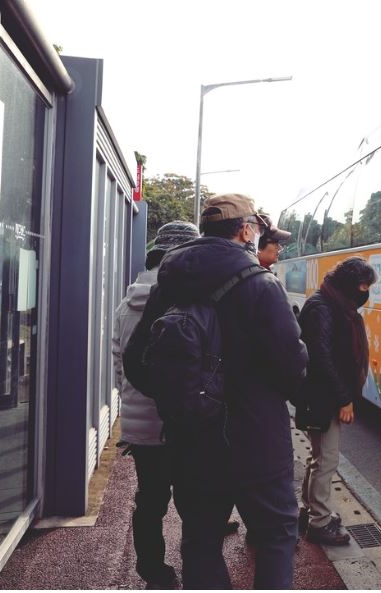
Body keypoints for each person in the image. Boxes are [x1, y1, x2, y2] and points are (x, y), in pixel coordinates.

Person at [123, 194, 309, 589]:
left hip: (192, 441)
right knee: (276, 535)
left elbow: (137, 362)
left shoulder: (169, 284)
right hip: (259, 440)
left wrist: (186, 400)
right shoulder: (262, 285)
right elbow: (293, 369)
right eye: (255, 229)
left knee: (200, 541)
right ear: (245, 231)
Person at [112, 221, 199, 589]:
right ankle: (198, 564)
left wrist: (133, 402)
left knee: (150, 499)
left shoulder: (126, 302)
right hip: (180, 419)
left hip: (139, 423)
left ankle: (153, 571)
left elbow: (120, 363)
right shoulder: (184, 299)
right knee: (193, 497)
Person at [296, 257, 377, 546]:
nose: (365, 292)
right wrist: (344, 398)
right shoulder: (322, 308)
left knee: (318, 457)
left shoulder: (332, 303)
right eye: (363, 286)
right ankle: (319, 522)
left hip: (322, 395)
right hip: (322, 397)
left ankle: (308, 510)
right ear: (348, 284)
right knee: (326, 461)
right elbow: (321, 359)